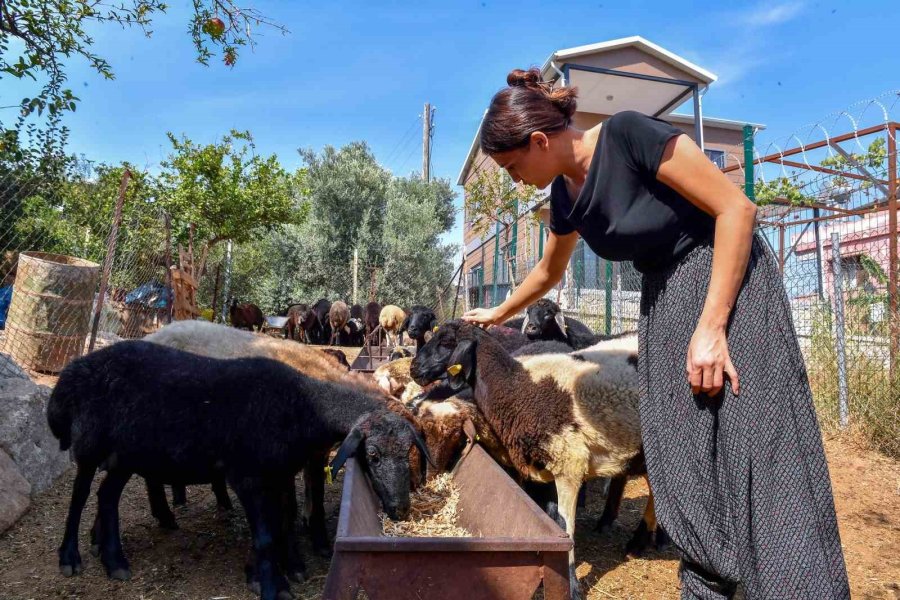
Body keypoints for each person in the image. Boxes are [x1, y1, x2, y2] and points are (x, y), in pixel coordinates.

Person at [462, 67, 850, 599]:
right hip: (663, 301)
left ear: (538, 140)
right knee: (672, 450)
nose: (513, 179)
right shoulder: (563, 195)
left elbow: (736, 209)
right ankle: (712, 578)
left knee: (757, 444)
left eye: (511, 167)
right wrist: (497, 313)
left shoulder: (627, 134)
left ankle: (795, 585)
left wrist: (713, 327)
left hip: (727, 285)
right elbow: (548, 273)